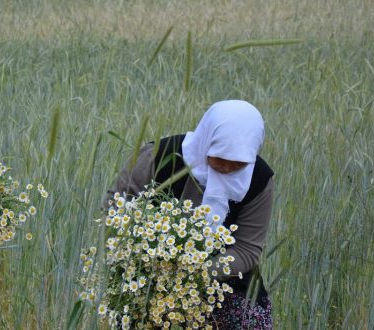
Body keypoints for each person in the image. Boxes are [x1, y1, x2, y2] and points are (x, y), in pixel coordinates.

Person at [105, 100, 274, 329]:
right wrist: (147, 258)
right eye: (220, 158)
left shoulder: (259, 179)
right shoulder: (159, 156)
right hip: (147, 277)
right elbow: (116, 205)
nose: (226, 168)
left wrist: (193, 274)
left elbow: (247, 249)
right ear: (207, 140)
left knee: (249, 322)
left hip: (225, 282)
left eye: (238, 164)